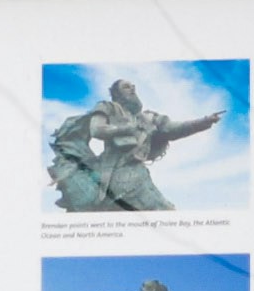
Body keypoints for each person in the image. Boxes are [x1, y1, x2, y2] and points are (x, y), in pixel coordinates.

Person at [47, 79, 225, 212]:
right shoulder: (108, 107)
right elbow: (97, 130)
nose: (132, 88)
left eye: (133, 86)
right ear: (116, 94)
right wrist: (126, 128)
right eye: (126, 86)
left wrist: (204, 122)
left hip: (138, 172)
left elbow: (174, 129)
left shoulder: (150, 118)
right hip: (116, 171)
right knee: (164, 212)